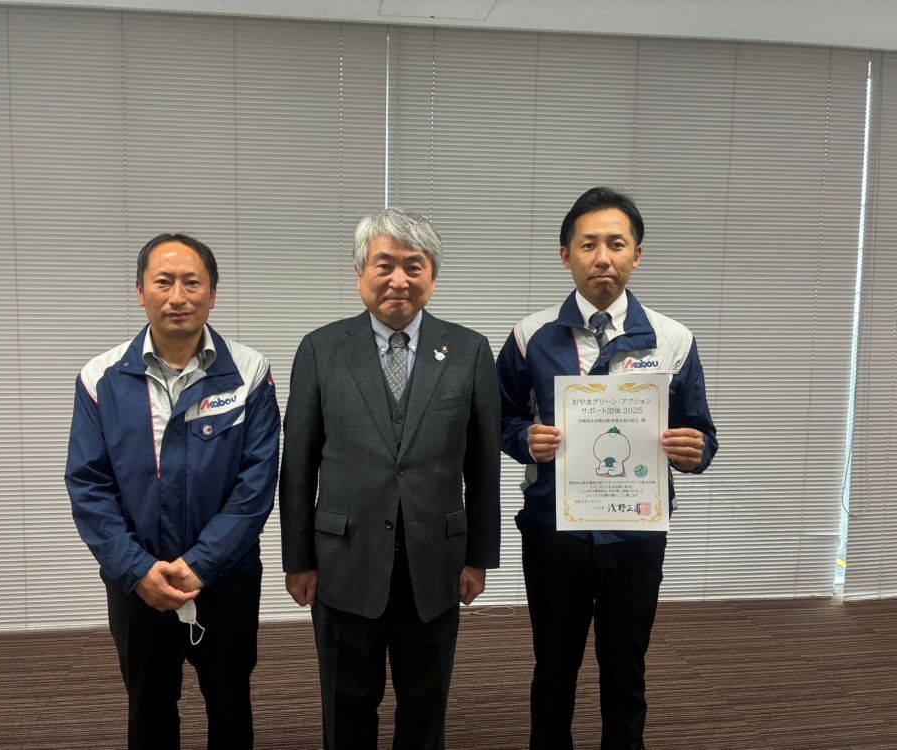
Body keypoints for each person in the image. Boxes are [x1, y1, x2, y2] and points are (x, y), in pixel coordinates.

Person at [497, 187, 718, 750]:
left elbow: (701, 433)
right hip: (554, 531)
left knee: (626, 671)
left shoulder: (673, 338)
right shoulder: (529, 336)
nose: (603, 257)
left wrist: (695, 451)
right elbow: (501, 419)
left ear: (636, 255)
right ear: (565, 255)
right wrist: (526, 439)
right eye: (588, 244)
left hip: (636, 530)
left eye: (616, 244)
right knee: (553, 668)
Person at [279, 207, 501, 750]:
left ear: (432, 277)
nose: (398, 279)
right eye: (384, 265)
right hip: (343, 562)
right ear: (361, 273)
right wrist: (298, 559)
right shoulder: (320, 349)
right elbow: (298, 465)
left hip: (436, 563)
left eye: (413, 266)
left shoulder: (469, 351)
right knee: (347, 703)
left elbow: (483, 466)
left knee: (425, 704)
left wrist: (478, 557)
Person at [65, 233, 280, 750]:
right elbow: (89, 486)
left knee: (230, 703)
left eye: (192, 283)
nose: (178, 296)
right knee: (149, 706)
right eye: (163, 282)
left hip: (225, 578)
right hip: (138, 581)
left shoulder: (249, 373)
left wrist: (202, 563)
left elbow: (256, 484)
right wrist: (137, 569)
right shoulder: (100, 378)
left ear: (213, 294)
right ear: (141, 292)